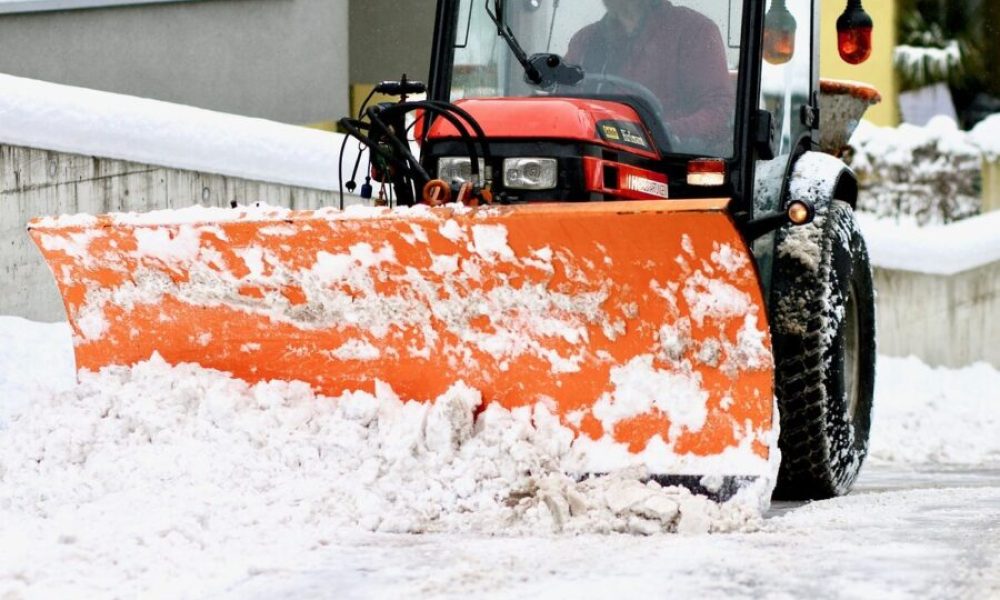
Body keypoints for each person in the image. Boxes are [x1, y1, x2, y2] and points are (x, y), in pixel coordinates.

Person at [565, 0, 735, 154]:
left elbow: (719, 112)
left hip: (668, 167)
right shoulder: (585, 41)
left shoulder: (693, 31)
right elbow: (565, 108)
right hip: (594, 160)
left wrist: (659, 133)